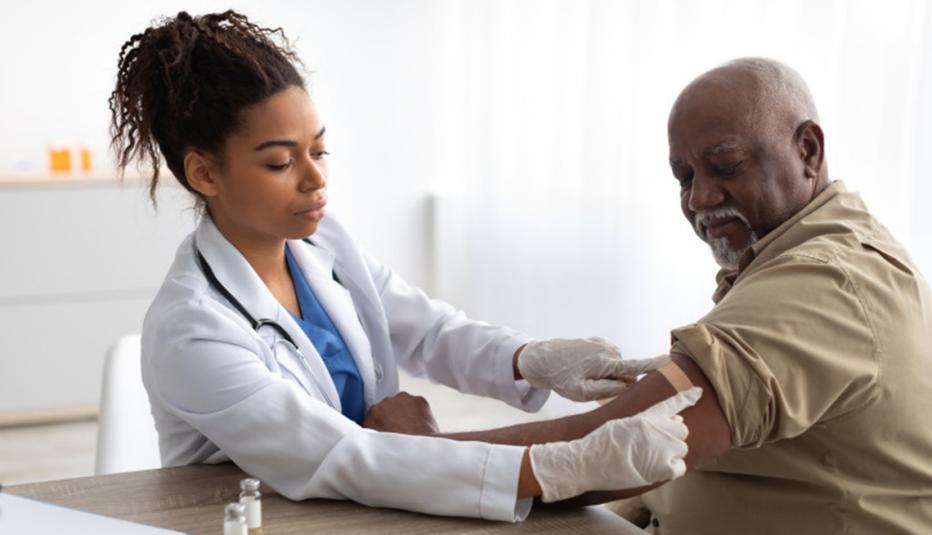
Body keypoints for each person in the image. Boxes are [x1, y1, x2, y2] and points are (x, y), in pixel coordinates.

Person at [110, 10, 699, 522]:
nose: (316, 178)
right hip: (263, 520)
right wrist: (554, 467)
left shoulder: (322, 244)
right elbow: (338, 455)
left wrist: (531, 359)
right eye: (280, 163)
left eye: (319, 150)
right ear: (204, 173)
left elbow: (427, 330)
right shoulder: (192, 328)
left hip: (367, 507)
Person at [384, 57, 932, 533]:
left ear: (807, 150)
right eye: (684, 177)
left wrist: (419, 452)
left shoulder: (824, 282)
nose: (700, 198)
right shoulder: (804, 253)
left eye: (725, 165)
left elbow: (607, 450)